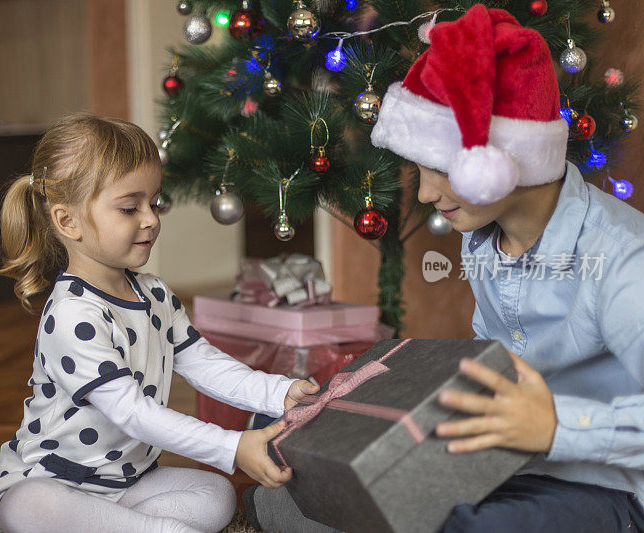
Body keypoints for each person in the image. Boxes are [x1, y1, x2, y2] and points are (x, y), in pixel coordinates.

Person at [244, 5, 644, 532]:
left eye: (442, 169)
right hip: (505, 457)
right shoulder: (482, 241)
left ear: (504, 156)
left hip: (605, 484)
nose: (427, 194)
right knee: (290, 432)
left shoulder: (621, 259)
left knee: (457, 523)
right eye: (420, 170)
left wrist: (553, 427)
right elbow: (488, 363)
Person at [0, 113, 319, 533]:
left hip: (128, 482)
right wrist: (231, 447)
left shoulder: (154, 293)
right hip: (55, 482)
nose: (151, 218)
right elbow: (135, 413)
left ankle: (113, 527)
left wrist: (279, 393)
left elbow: (204, 364)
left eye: (153, 203)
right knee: (28, 507)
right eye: (128, 207)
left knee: (217, 495)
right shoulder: (72, 315)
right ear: (68, 222)